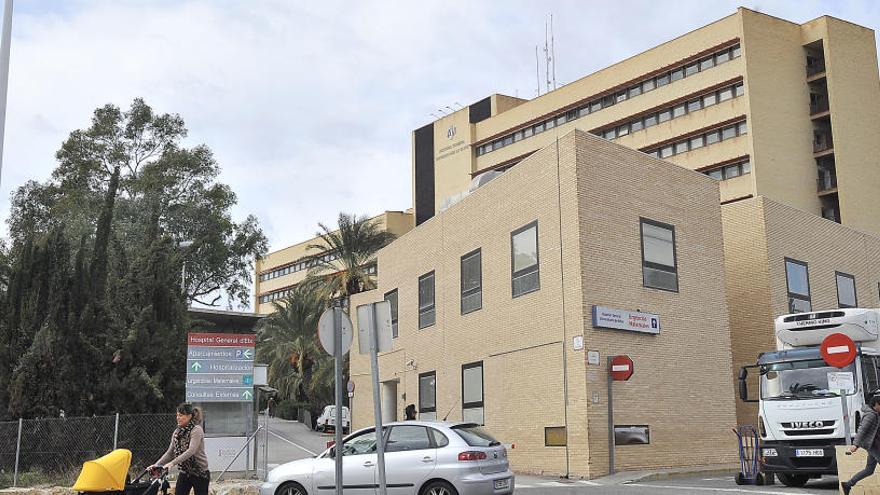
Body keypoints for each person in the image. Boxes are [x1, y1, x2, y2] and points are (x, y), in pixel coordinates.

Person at [151, 403, 210, 495]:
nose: (178, 418)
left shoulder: (196, 430)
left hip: (200, 471)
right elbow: (170, 453)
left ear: (189, 416)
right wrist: (156, 465)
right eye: (177, 415)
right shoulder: (177, 432)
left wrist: (172, 463)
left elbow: (191, 451)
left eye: (181, 415)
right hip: (185, 471)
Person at [842, 394, 880, 494]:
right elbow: (862, 430)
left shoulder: (876, 414)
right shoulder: (871, 415)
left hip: (874, 446)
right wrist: (855, 444)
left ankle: (848, 484)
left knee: (869, 470)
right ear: (875, 405)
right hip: (874, 446)